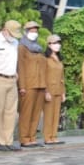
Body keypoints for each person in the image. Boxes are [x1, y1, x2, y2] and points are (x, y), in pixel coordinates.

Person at [17, 19, 47, 148]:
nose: (34, 32)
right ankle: (24, 138)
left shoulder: (39, 48)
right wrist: (22, 86)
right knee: (26, 112)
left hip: (40, 84)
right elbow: (20, 67)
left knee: (36, 113)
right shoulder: (22, 47)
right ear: (26, 32)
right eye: (31, 30)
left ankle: (32, 137)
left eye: (36, 30)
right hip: (28, 84)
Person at [0, 20, 20, 152]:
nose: (13, 36)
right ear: (5, 30)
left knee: (11, 112)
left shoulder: (15, 43)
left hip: (12, 80)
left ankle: (8, 140)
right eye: (12, 33)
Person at [42, 34, 66, 145]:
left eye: (58, 43)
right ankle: (47, 137)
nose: (57, 45)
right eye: (55, 43)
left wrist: (63, 92)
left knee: (56, 115)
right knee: (49, 115)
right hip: (49, 90)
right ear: (49, 44)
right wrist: (46, 91)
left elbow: (62, 77)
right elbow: (43, 75)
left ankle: (54, 136)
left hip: (58, 89)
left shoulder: (59, 59)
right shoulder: (45, 59)